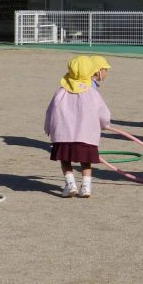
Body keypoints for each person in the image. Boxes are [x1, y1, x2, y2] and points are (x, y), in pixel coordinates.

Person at [44, 56, 111, 198]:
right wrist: (105, 125)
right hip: (85, 135)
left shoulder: (60, 92)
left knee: (65, 160)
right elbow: (103, 113)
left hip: (63, 135)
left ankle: (70, 185)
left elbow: (50, 111)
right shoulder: (92, 94)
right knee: (85, 161)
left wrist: (48, 127)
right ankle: (86, 187)